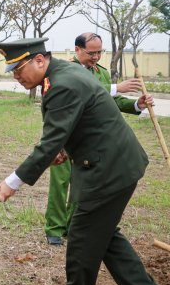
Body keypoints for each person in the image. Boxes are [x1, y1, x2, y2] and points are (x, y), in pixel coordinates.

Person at [0, 37, 168, 285]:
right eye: (12, 72)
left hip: (109, 168)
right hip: (116, 162)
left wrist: (13, 182)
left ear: (39, 60)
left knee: (82, 232)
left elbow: (49, 142)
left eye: (18, 69)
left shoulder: (61, 84)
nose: (16, 76)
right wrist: (63, 148)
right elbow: (79, 118)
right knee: (103, 231)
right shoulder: (64, 71)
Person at [43, 33, 153, 245]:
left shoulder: (100, 72)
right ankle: (54, 228)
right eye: (91, 52)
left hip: (90, 141)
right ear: (77, 50)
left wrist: (137, 104)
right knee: (60, 183)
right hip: (65, 136)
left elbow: (112, 101)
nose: (95, 57)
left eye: (99, 52)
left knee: (82, 184)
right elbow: (77, 92)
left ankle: (72, 226)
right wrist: (115, 87)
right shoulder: (64, 70)